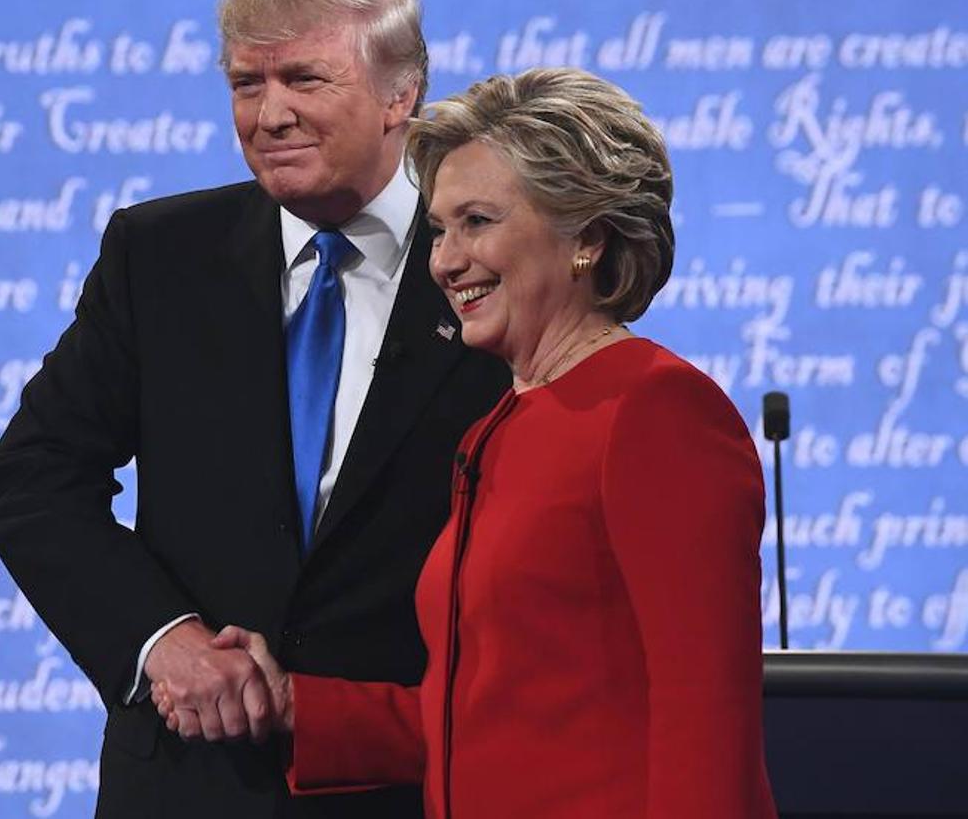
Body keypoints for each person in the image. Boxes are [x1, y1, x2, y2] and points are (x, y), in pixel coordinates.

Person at [155, 68, 779, 818]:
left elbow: (706, 725)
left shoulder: (652, 411)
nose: (444, 261)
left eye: (478, 222)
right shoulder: (497, 427)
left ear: (585, 237)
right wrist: (294, 704)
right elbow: (479, 721)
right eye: (440, 228)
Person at [0, 0, 509, 819]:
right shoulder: (160, 256)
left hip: (417, 777)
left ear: (400, 95)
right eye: (244, 84)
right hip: (190, 781)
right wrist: (161, 642)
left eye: (304, 78)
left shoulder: (488, 261)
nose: (269, 115)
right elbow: (34, 479)